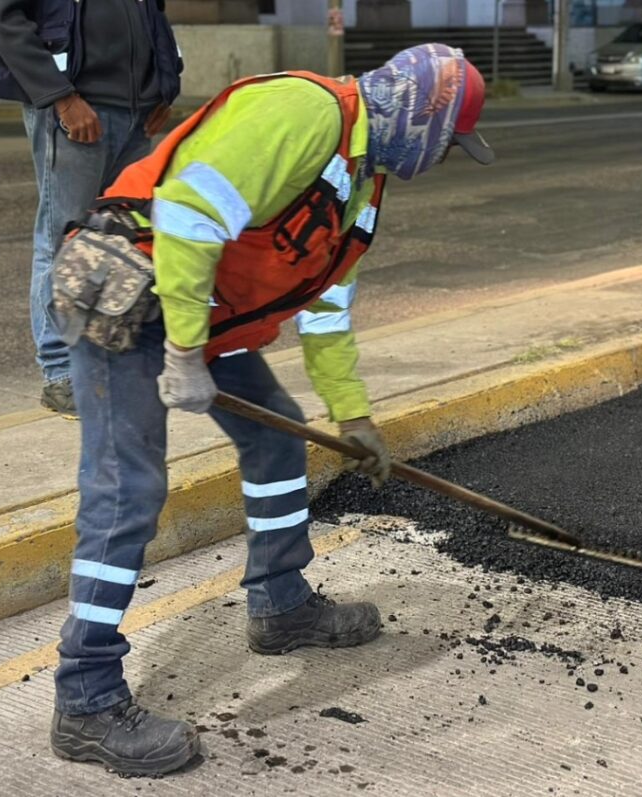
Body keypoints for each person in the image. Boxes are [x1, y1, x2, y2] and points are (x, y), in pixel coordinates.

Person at [48, 43, 494, 776]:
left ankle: (281, 606)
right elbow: (189, 215)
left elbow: (326, 312)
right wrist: (183, 353)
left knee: (277, 444)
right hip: (128, 292)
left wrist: (354, 419)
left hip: (202, 311)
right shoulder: (304, 111)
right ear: (424, 116)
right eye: (448, 142)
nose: (442, 157)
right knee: (127, 490)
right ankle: (85, 698)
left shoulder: (361, 183)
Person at [0, 0, 182, 416]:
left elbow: (153, 12)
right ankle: (60, 372)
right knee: (62, 238)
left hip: (137, 109)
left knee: (122, 240)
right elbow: (2, 17)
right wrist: (61, 97)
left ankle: (107, 359)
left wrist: (165, 83)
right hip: (76, 106)